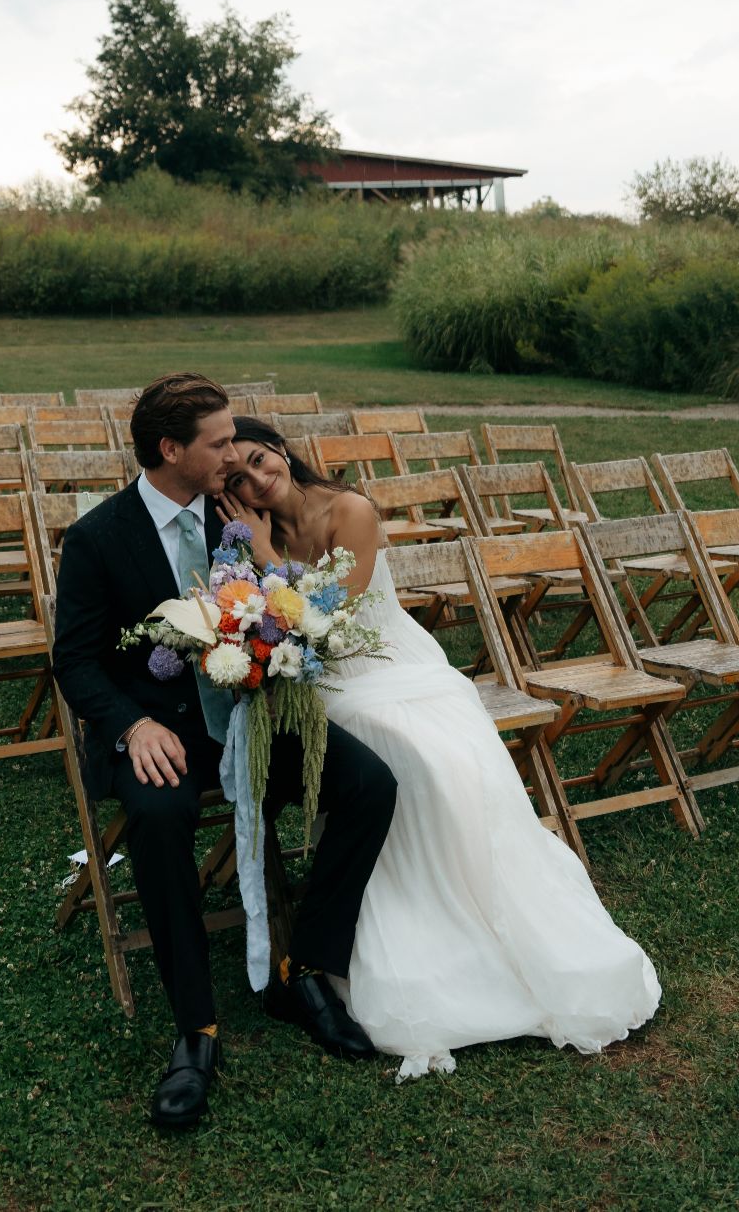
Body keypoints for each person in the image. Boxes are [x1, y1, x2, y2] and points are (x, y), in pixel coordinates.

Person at [215, 415, 662, 1080]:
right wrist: (254, 551)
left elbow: (329, 617)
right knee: (401, 756)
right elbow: (285, 633)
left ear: (281, 450)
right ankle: (400, 929)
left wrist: (267, 557)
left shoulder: (351, 510)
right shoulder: (250, 537)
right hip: (326, 684)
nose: (256, 478)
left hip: (392, 667)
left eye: (260, 459)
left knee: (447, 757)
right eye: (240, 477)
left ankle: (491, 920)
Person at [51, 375, 398, 1129]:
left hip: (250, 714)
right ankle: (195, 1029)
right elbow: (74, 661)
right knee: (158, 815)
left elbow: (291, 601)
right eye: (216, 444)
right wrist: (130, 727)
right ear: (171, 449)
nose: (231, 455)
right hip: (156, 735)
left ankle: (301, 969)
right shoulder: (97, 537)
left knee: (370, 785)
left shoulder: (235, 515)